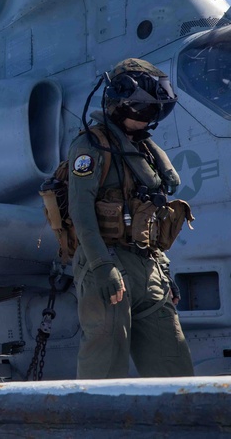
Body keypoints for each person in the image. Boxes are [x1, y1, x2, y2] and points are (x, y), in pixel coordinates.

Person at [68, 58, 195, 378]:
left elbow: (151, 219)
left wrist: (166, 274)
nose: (150, 116)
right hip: (107, 264)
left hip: (149, 268)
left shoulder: (145, 154)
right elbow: (80, 212)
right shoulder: (91, 146)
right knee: (104, 368)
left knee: (173, 365)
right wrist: (101, 265)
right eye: (144, 107)